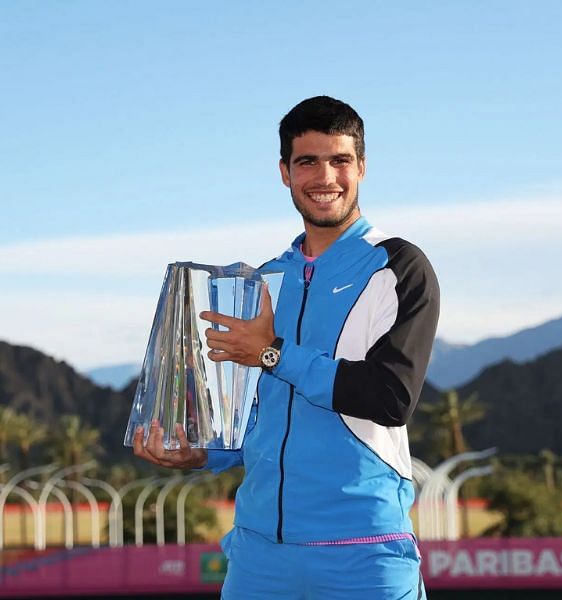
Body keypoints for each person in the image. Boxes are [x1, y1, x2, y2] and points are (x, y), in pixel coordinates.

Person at [133, 96, 439, 599]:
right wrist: (198, 454)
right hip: (259, 559)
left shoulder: (397, 266)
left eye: (340, 160)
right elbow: (257, 416)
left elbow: (391, 398)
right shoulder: (266, 279)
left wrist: (274, 353)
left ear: (361, 166)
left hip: (362, 553)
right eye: (307, 162)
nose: (325, 177)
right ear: (284, 172)